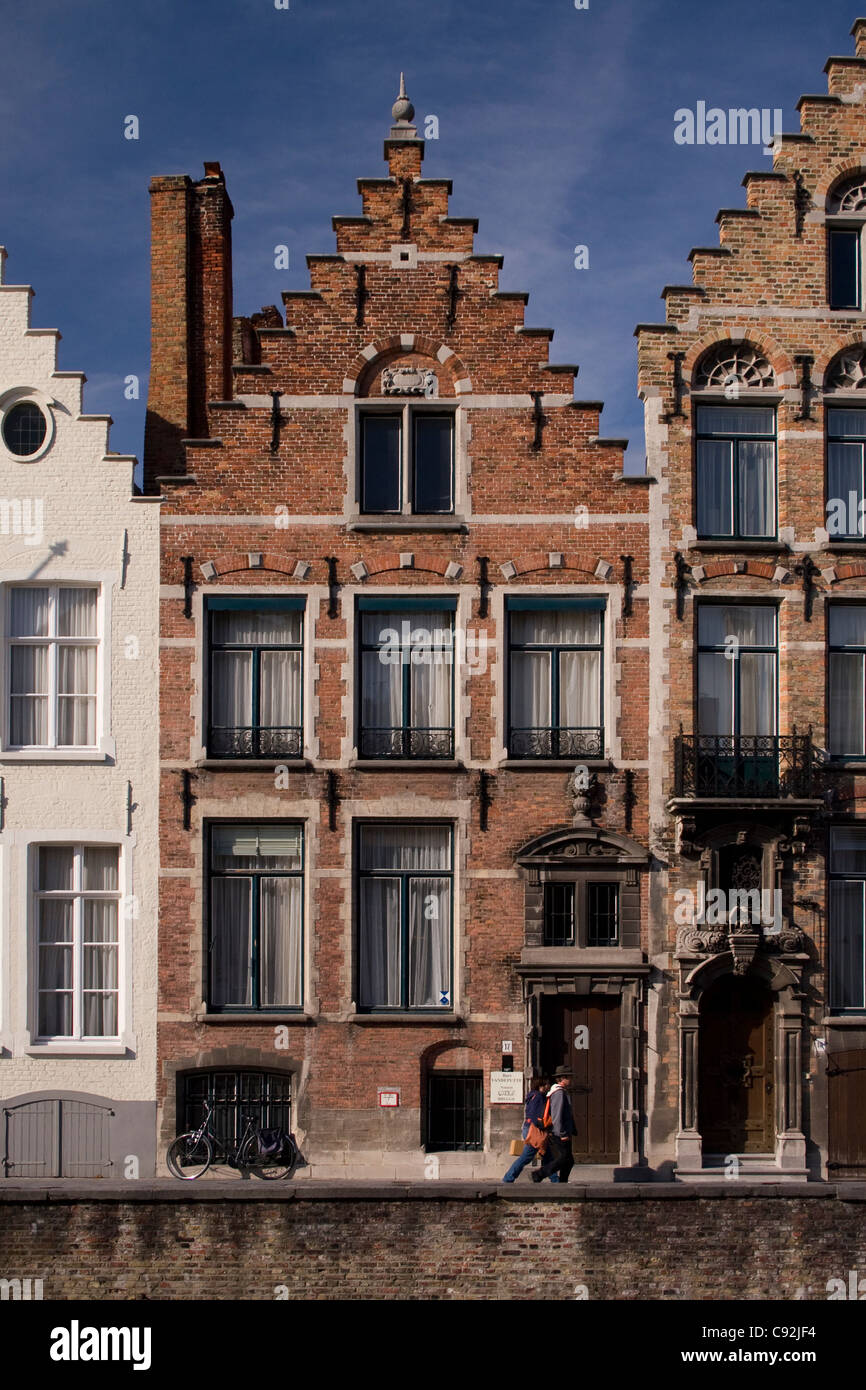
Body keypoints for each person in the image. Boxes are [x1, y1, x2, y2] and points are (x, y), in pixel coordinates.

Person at [501, 1076, 550, 1182]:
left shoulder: (532, 1096)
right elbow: (536, 1115)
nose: (548, 1086)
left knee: (547, 1154)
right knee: (526, 1156)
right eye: (547, 1084)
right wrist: (542, 1126)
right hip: (534, 1130)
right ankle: (508, 1178)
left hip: (528, 1127)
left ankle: (555, 1180)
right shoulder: (539, 1097)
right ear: (542, 1085)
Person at [532, 1066, 575, 1184]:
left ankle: (563, 1182)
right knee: (564, 1158)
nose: (571, 1079)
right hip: (560, 1133)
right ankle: (539, 1174)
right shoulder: (559, 1093)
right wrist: (562, 1133)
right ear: (563, 1078)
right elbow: (557, 1115)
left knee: (569, 1160)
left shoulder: (561, 1092)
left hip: (563, 1131)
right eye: (569, 1077)